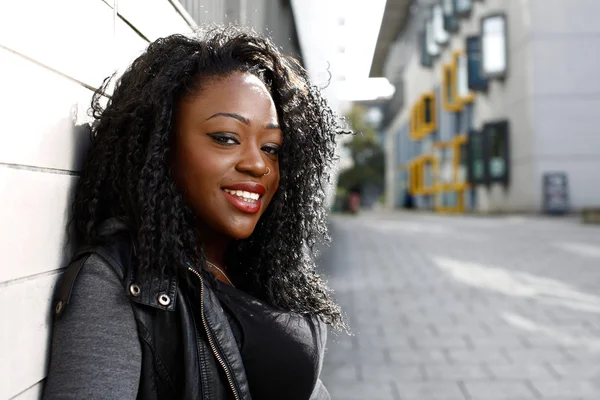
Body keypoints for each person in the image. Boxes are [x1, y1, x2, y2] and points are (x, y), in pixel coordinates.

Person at [43, 26, 346, 400]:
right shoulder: (119, 283)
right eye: (226, 138)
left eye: (271, 147)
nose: (258, 164)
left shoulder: (262, 261)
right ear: (161, 144)